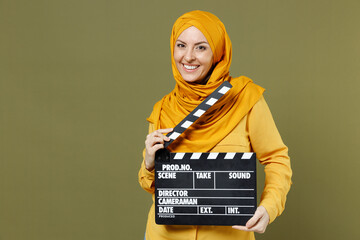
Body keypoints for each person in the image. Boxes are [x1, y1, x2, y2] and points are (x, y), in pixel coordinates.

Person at [138, 10, 292, 240]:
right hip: (165, 236)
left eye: (201, 47)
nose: (188, 56)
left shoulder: (245, 99)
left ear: (217, 53)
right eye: (181, 45)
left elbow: (276, 159)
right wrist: (149, 164)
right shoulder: (163, 109)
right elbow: (153, 187)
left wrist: (269, 207)